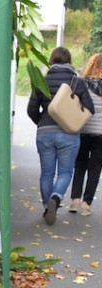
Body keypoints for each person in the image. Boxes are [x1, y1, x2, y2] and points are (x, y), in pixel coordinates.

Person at [27, 46, 94, 225]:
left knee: (47, 173)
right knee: (65, 172)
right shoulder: (77, 82)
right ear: (69, 61)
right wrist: (73, 122)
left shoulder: (41, 80)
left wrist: (42, 123)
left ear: (51, 61)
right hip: (69, 134)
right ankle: (55, 199)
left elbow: (31, 109)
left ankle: (47, 207)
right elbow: (90, 109)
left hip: (45, 133)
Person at [69, 53, 102, 216]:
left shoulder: (82, 84)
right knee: (95, 168)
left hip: (82, 129)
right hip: (101, 134)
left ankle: (75, 200)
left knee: (80, 165)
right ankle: (86, 204)